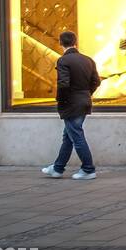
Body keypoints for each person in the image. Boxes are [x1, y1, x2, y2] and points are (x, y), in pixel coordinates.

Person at [42, 30, 101, 180]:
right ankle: (57, 168)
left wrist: (61, 101)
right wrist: (86, 94)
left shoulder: (63, 61)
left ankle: (88, 169)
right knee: (68, 136)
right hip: (83, 101)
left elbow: (63, 84)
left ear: (60, 43)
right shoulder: (88, 60)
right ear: (76, 42)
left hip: (71, 104)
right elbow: (96, 82)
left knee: (77, 136)